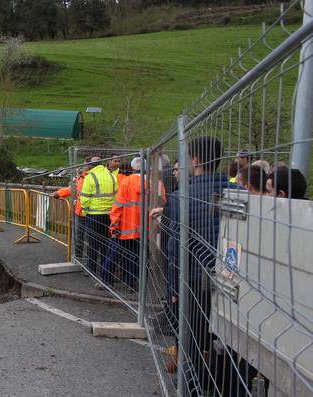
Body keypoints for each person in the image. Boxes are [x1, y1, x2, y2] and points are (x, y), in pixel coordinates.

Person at [166, 136, 242, 395]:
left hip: (196, 278)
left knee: (196, 340)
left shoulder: (182, 196)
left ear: (196, 159)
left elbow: (176, 247)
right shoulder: (240, 193)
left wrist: (174, 288)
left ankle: (194, 387)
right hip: (233, 277)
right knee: (231, 340)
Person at [103, 157, 166, 289]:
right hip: (146, 229)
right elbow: (163, 203)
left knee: (114, 254)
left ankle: (105, 280)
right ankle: (131, 283)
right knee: (137, 257)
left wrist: (114, 225)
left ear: (133, 168)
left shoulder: (126, 182)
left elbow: (118, 206)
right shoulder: (155, 183)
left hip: (125, 228)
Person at [81, 157, 118, 275]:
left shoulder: (89, 177)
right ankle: (104, 270)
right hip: (108, 215)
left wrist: (84, 212)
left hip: (94, 215)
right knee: (105, 244)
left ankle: (91, 270)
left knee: (93, 244)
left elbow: (85, 198)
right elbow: (116, 195)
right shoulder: (112, 176)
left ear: (91, 166)